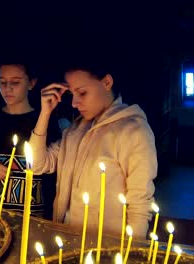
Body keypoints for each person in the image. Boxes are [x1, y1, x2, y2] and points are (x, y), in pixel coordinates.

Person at [29, 59, 157, 239]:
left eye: (82, 92)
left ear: (107, 82)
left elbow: (140, 204)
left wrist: (132, 252)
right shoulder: (75, 130)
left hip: (105, 248)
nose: (74, 102)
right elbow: (36, 165)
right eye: (71, 93)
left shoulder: (133, 131)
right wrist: (45, 114)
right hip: (66, 240)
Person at [0, 61, 61, 219]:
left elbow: (53, 168)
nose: (8, 88)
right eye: (2, 82)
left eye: (15, 82)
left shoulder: (44, 120)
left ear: (31, 83)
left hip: (33, 215)